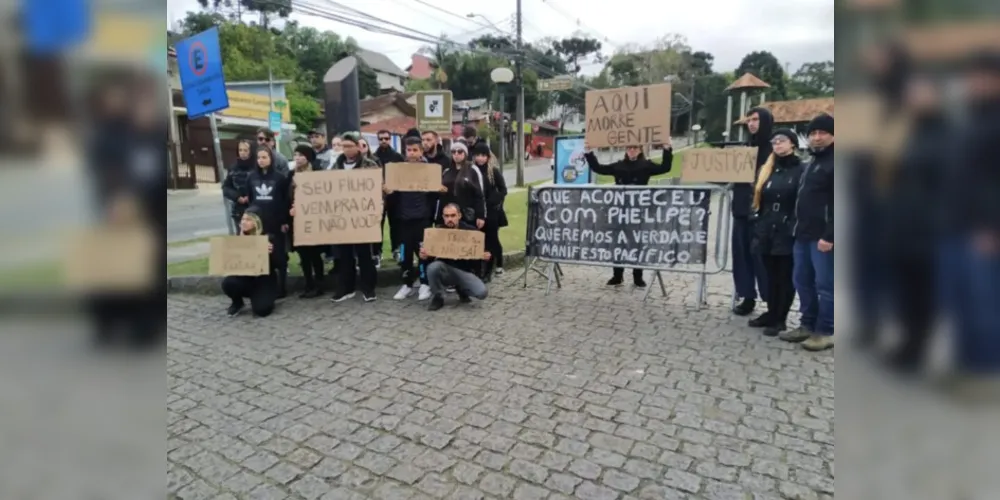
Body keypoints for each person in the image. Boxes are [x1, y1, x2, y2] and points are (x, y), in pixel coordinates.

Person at [583, 140, 673, 287]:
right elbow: (598, 168)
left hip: (638, 212)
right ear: (626, 150)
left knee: (636, 243)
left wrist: (667, 148)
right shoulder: (619, 165)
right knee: (618, 243)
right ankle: (617, 275)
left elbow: (665, 167)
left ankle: (638, 276)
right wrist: (588, 152)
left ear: (639, 150)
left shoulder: (646, 165)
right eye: (629, 148)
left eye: (634, 148)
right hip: (620, 211)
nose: (631, 150)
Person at [782, 114, 834, 351]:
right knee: (802, 281)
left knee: (826, 285)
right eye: (813, 133)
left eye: (822, 132)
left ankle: (827, 330)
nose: (817, 137)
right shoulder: (812, 162)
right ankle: (807, 324)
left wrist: (830, 235)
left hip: (823, 237)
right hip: (802, 234)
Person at [747, 129, 804, 337]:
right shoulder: (768, 169)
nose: (778, 145)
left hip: (787, 228)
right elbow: (760, 198)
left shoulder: (800, 169)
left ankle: (780, 317)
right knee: (769, 274)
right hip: (766, 228)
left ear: (792, 144)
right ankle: (771, 312)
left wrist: (793, 225)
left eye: (782, 141)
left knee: (784, 275)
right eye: (775, 142)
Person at [387, 137, 444, 301]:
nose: (411, 153)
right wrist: (388, 190)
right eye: (409, 150)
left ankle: (425, 283)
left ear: (421, 151)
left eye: (415, 150)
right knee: (405, 254)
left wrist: (440, 190)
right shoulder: (398, 170)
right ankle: (407, 284)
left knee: (423, 253)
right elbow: (392, 194)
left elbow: (436, 195)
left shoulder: (429, 170)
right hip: (404, 219)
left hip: (422, 219)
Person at [329, 133, 381, 302]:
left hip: (362, 216)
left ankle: (368, 288)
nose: (346, 150)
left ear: (358, 147)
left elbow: (377, 187)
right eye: (343, 146)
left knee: (364, 254)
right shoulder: (336, 167)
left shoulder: (369, 165)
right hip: (343, 216)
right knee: (343, 255)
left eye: (349, 146)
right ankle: (346, 288)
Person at [731, 108, 773, 316]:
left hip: (762, 215)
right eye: (749, 120)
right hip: (740, 211)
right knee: (742, 257)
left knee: (762, 259)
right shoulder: (745, 149)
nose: (752, 124)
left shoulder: (773, 151)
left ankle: (772, 301)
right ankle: (747, 296)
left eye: (756, 119)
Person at [421, 203, 492, 311]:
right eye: (447, 216)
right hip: (446, 269)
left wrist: (485, 256)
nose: (450, 219)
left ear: (459, 216)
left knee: (482, 293)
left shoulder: (471, 232)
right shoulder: (437, 233)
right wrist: (425, 256)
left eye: (453, 215)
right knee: (433, 267)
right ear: (443, 217)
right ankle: (438, 296)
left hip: (465, 271)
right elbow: (430, 258)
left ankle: (462, 289)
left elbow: (482, 252)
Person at [243, 145, 291, 298]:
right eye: (259, 158)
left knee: (279, 256)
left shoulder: (279, 178)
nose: (261, 161)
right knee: (261, 254)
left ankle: (282, 287)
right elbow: (250, 199)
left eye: (264, 157)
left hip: (275, 221)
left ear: (271, 158)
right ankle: (263, 286)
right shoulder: (251, 177)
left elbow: (285, 201)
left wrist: (284, 220)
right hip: (258, 223)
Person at [222, 206, 285, 317]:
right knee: (228, 283)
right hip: (245, 278)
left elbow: (280, 263)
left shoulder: (269, 238)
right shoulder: (238, 238)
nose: (244, 222)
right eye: (243, 219)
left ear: (257, 222)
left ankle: (264, 297)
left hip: (263, 280)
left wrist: (271, 253)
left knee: (262, 310)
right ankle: (237, 302)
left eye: (248, 220)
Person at [288, 145, 326, 298]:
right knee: (303, 256)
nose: (297, 158)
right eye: (295, 154)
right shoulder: (291, 175)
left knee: (315, 255)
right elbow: (287, 196)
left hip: (314, 219)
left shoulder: (317, 173)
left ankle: (319, 284)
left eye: (301, 155)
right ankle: (308, 284)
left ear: (308, 157)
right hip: (298, 220)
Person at [471, 141, 508, 280]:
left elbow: (503, 189)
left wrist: (491, 200)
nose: (480, 158)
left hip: (491, 212)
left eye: (483, 155)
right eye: (477, 155)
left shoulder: (493, 171)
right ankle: (479, 269)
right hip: (477, 211)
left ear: (487, 157)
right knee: (478, 240)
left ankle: (488, 271)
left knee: (491, 241)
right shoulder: (471, 170)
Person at [439, 142, 486, 228]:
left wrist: (480, 215)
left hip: (467, 214)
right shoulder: (447, 171)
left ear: (465, 154)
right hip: (449, 214)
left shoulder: (472, 169)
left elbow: (479, 194)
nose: (456, 154)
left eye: (460, 152)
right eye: (453, 152)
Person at [375, 129, 406, 261]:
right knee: (377, 225)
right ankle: (377, 252)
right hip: (378, 197)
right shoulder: (374, 157)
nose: (384, 141)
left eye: (386, 138)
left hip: (395, 197)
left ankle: (396, 249)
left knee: (396, 225)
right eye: (381, 138)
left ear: (389, 139)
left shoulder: (398, 157)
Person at [222, 139, 256, 231]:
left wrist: (250, 196)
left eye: (245, 150)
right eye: (240, 150)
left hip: (255, 209)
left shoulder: (257, 167)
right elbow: (226, 188)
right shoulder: (233, 168)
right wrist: (237, 197)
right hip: (238, 210)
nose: (242, 153)